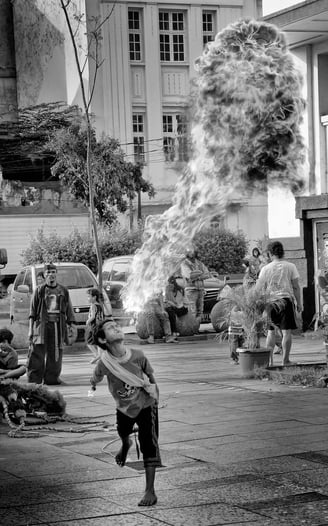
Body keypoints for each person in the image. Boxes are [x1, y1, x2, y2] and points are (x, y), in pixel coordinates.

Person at [90, 319, 161, 507]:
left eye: (116, 325)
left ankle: (150, 490)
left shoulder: (138, 355)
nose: (116, 327)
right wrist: (92, 384)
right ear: (103, 340)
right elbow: (95, 376)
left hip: (146, 404)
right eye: (110, 328)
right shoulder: (104, 363)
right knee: (123, 430)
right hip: (123, 407)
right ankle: (125, 443)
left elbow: (151, 377)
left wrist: (156, 394)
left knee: (149, 444)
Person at [27, 263, 76, 385]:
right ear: (44, 275)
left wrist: (71, 324)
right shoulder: (39, 290)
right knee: (37, 352)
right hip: (41, 326)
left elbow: (69, 308)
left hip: (57, 326)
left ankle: (52, 378)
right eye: (48, 273)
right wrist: (30, 330)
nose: (51, 275)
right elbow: (32, 312)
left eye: (53, 272)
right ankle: (34, 379)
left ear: (56, 274)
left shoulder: (63, 290)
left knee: (55, 353)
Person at [256, 241, 303, 366]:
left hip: (271, 302)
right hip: (286, 301)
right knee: (286, 332)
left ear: (270, 254)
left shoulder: (265, 269)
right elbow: (296, 287)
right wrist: (299, 303)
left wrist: (260, 305)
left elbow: (259, 288)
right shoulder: (290, 266)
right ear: (282, 252)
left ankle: (269, 362)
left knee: (271, 332)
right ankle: (285, 360)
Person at [180, 249, 211, 322]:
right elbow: (190, 275)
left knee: (200, 311)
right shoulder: (184, 264)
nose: (191, 252)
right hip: (191, 290)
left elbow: (207, 274)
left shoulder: (199, 263)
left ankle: (197, 328)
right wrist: (200, 274)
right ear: (186, 253)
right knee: (192, 310)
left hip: (200, 289)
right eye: (189, 251)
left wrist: (198, 276)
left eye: (192, 251)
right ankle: (193, 328)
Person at [85, 288, 105, 364]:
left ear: (94, 297)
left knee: (89, 342)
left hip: (93, 327)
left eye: (89, 296)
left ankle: (97, 356)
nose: (88, 298)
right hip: (100, 327)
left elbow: (93, 316)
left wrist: (88, 321)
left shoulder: (93, 305)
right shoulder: (100, 306)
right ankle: (99, 357)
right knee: (98, 343)